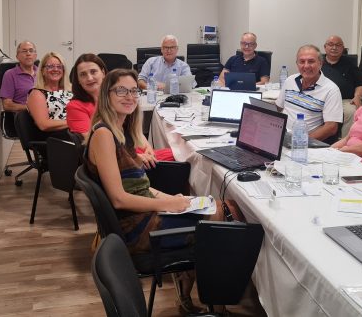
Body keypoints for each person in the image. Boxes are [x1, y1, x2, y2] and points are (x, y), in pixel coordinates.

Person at [85, 69, 241, 312]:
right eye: (121, 91)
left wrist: (178, 200)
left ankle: (193, 294)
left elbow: (140, 187)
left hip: (143, 217)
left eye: (134, 91)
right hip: (137, 230)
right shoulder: (104, 135)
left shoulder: (120, 131)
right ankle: (216, 305)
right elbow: (118, 199)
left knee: (221, 207)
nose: (130, 96)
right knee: (228, 215)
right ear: (107, 94)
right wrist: (169, 205)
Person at [67, 54, 175, 161]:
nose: (89, 78)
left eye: (93, 72)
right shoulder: (75, 106)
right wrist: (136, 157)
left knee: (180, 152)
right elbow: (93, 142)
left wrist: (148, 148)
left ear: (103, 73)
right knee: (181, 155)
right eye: (83, 74)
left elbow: (134, 130)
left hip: (133, 150)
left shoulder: (115, 99)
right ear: (78, 80)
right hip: (116, 156)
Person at [276, 44, 343, 143]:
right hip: (280, 136)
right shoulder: (290, 80)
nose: (306, 66)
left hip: (303, 143)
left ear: (320, 63)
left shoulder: (331, 90)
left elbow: (331, 127)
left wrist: (300, 142)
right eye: (302, 62)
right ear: (297, 64)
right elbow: (278, 108)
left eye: (311, 61)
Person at [321, 35, 362, 136]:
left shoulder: (350, 64)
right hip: (322, 99)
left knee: (352, 111)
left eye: (338, 45)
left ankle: (346, 141)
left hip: (344, 100)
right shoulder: (318, 62)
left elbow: (360, 84)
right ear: (325, 47)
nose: (334, 48)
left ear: (342, 48)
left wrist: (358, 96)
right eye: (331, 44)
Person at [26, 52, 72, 133]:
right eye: (50, 66)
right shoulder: (37, 94)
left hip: (79, 130)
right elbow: (44, 125)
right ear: (42, 71)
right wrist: (75, 122)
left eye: (59, 66)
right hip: (59, 136)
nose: (55, 69)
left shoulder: (71, 89)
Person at [0, 41, 37, 111]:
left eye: (31, 51)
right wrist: (30, 108)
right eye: (24, 51)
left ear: (35, 55)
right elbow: (7, 105)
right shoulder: (10, 74)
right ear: (17, 57)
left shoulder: (42, 73)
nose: (28, 54)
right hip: (24, 114)